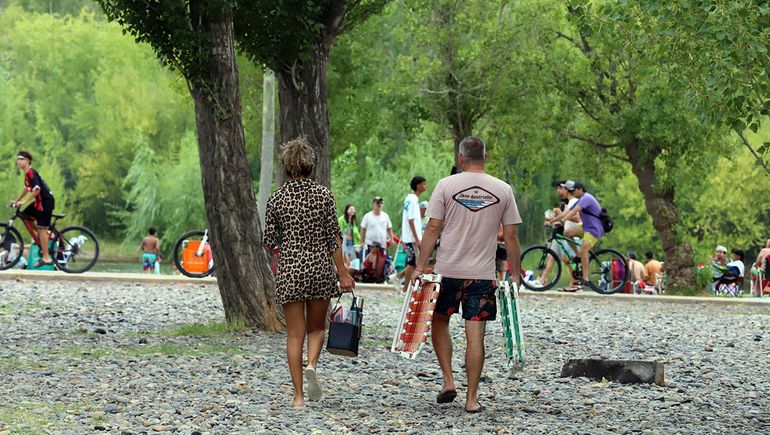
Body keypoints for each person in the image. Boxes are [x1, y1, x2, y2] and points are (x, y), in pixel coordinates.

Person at [415, 136, 522, 413]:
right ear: (485, 157)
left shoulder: (445, 186)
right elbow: (510, 235)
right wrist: (515, 274)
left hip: (447, 271)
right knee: (476, 336)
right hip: (482, 276)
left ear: (460, 159)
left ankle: (449, 380)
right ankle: (472, 399)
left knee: (439, 321)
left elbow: (433, 229)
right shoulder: (503, 189)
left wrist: (419, 266)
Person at [263, 138, 355, 408]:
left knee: (294, 335)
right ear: (311, 166)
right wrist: (343, 273)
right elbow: (332, 238)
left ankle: (298, 397)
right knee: (317, 327)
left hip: (290, 269)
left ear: (287, 166)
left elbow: (268, 240)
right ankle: (311, 364)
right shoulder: (324, 196)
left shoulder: (276, 199)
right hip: (319, 269)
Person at [546, 181, 602, 290]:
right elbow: (566, 212)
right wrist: (553, 220)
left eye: (573, 190)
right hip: (585, 227)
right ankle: (578, 255)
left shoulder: (586, 198)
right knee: (567, 233)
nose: (571, 192)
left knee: (584, 249)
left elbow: (573, 213)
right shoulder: (579, 200)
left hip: (594, 229)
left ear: (580, 190)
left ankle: (585, 278)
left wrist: (562, 221)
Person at [9, 151, 55, 267]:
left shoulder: (31, 172)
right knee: (26, 216)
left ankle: (46, 257)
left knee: (40, 228)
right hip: (39, 202)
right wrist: (16, 200)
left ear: (28, 161)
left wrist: (24, 202)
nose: (19, 161)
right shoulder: (27, 174)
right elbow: (26, 188)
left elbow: (37, 190)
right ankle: (47, 234)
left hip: (45, 201)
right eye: (18, 159)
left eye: (21, 159)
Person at [399, 176, 428, 292]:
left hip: (410, 237)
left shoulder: (411, 199)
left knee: (414, 263)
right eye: (424, 184)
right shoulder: (412, 200)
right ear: (418, 186)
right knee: (412, 264)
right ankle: (405, 288)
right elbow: (411, 220)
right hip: (411, 237)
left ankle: (401, 281)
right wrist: (417, 238)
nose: (426, 186)